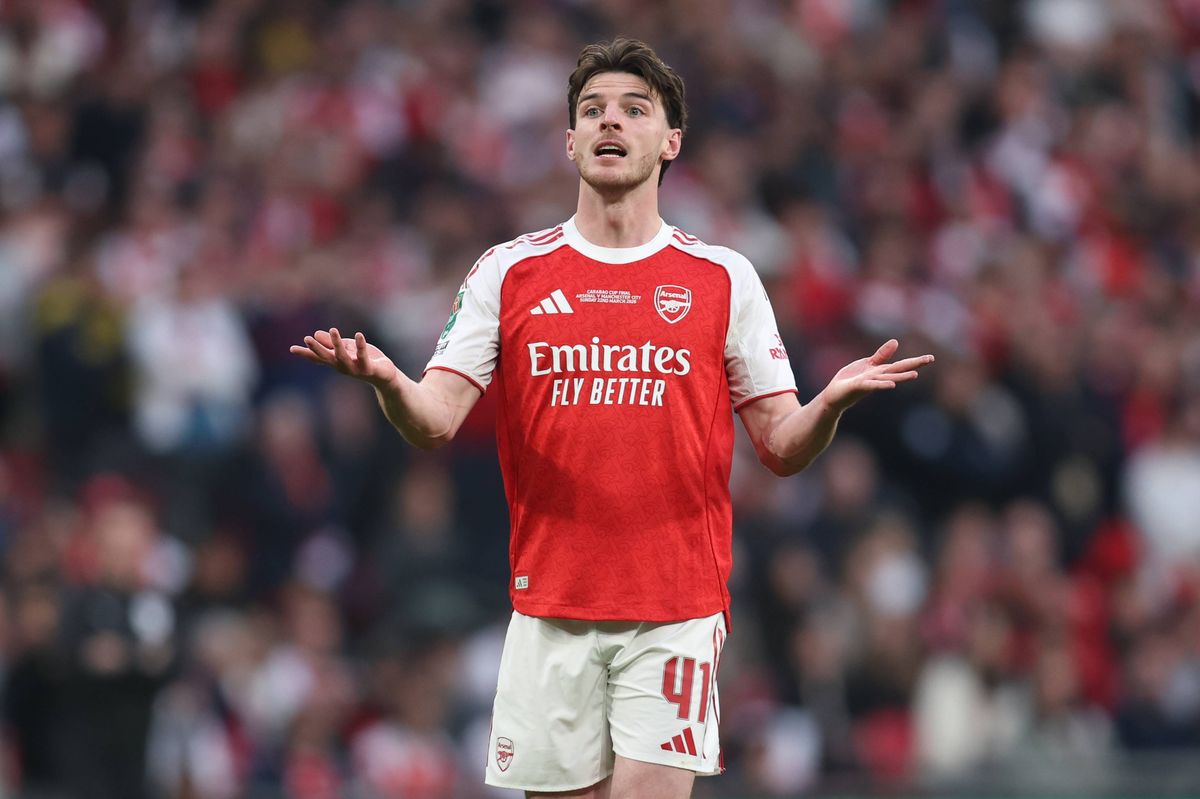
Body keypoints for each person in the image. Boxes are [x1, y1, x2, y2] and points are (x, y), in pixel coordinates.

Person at [292, 37, 934, 799]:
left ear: (671, 141)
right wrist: (389, 382)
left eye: (634, 109)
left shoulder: (723, 277)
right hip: (550, 604)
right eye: (593, 109)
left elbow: (781, 445)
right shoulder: (509, 271)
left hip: (676, 605)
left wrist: (826, 405)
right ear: (569, 142)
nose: (611, 121)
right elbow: (433, 421)